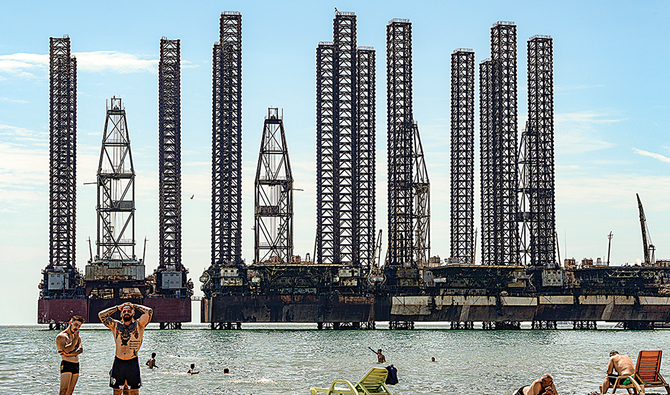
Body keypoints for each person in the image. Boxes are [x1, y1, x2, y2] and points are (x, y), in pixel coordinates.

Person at [99, 302, 153, 395]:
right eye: (124, 311)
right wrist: (117, 307)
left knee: (134, 391)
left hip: (132, 362)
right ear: (121, 313)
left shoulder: (139, 325)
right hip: (118, 362)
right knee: (117, 391)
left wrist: (133, 305)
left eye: (129, 311)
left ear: (133, 313)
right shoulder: (115, 325)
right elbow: (101, 315)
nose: (126, 313)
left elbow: (149, 311)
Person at [56, 315, 85, 395]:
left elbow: (80, 350)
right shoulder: (61, 336)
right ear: (70, 323)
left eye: (79, 326)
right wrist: (75, 339)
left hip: (76, 365)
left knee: (70, 391)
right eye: (75, 325)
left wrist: (69, 354)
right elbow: (67, 349)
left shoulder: (77, 337)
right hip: (66, 364)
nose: (77, 328)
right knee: (63, 391)